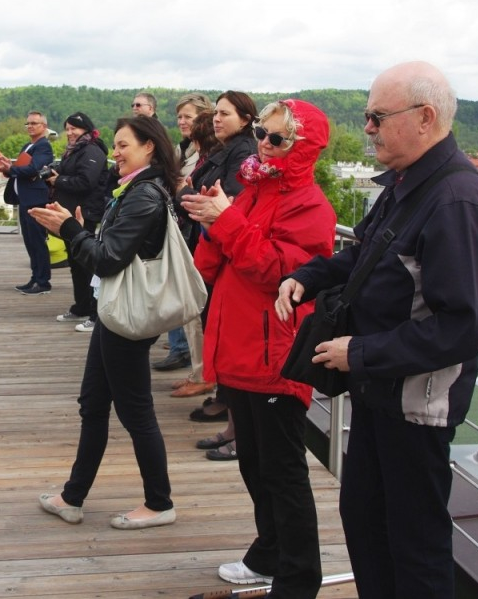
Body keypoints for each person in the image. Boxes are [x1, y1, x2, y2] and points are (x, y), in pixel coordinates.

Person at [276, 62, 478, 599]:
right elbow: (366, 255)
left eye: (376, 116)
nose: (369, 128)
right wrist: (306, 276)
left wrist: (363, 352)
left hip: (417, 405)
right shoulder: (409, 183)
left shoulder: (456, 201)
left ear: (424, 118)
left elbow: (463, 326)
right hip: (381, 391)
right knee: (366, 522)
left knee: (414, 544)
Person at [184, 99, 336, 597]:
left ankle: (297, 579)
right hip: (240, 349)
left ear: (302, 148)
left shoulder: (310, 206)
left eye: (276, 138)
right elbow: (221, 259)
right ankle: (270, 554)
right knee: (255, 465)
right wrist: (213, 222)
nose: (264, 144)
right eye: (263, 135)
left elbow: (281, 273)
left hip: (274, 357)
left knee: (283, 472)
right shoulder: (253, 190)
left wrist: (225, 223)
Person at [29, 116, 180, 530]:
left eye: (123, 144)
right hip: (115, 315)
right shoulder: (136, 189)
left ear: (149, 147)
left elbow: (108, 259)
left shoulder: (143, 195)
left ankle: (159, 502)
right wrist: (78, 227)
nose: (115, 151)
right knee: (93, 404)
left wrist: (70, 229)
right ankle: (72, 496)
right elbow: (111, 249)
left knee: (136, 412)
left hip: (127, 318)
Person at [177, 91, 260, 450]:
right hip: (213, 243)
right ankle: (229, 412)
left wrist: (187, 192)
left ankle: (232, 413)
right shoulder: (226, 150)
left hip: (226, 246)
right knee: (215, 324)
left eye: (224, 114)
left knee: (222, 327)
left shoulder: (242, 152)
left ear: (244, 119)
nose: (217, 119)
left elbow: (227, 199)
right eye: (217, 114)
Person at [169, 108, 223, 398]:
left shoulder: (208, 161)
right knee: (194, 314)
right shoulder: (207, 159)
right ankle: (198, 371)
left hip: (199, 244)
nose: (183, 125)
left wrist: (180, 190)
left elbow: (195, 201)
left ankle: (203, 374)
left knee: (197, 313)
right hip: (196, 242)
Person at [47, 112, 109, 332]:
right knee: (76, 263)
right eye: (67, 128)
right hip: (71, 214)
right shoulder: (75, 150)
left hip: (86, 214)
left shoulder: (92, 150)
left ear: (85, 129)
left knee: (87, 265)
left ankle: (95, 313)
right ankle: (81, 306)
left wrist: (58, 180)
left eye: (74, 128)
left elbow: (86, 181)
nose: (70, 132)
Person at [0, 111, 55, 295]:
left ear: (43, 127)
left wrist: (11, 169)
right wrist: (9, 168)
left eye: (34, 123)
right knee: (29, 241)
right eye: (27, 123)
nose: (30, 126)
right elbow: (21, 169)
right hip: (25, 199)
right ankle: (35, 277)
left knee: (37, 241)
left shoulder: (43, 146)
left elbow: (32, 169)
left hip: (36, 200)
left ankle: (43, 281)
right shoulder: (28, 145)